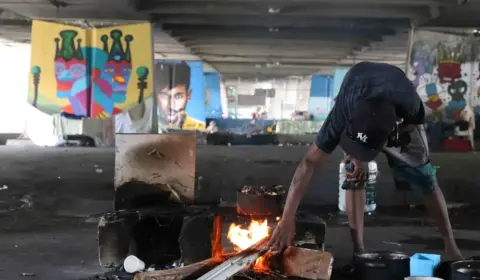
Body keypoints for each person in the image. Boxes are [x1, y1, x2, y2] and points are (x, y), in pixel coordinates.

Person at [267, 62, 463, 261]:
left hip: (399, 118)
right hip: (359, 95)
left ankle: (451, 246)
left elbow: (411, 126)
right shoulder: (342, 114)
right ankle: (359, 251)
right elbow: (309, 162)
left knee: (424, 177)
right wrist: (286, 218)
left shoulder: (409, 105)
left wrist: (381, 147)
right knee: (352, 171)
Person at [156, 62, 204, 130]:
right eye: (164, 96)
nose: (171, 105)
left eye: (178, 96)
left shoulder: (198, 128)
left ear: (188, 95)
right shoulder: (148, 127)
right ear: (156, 96)